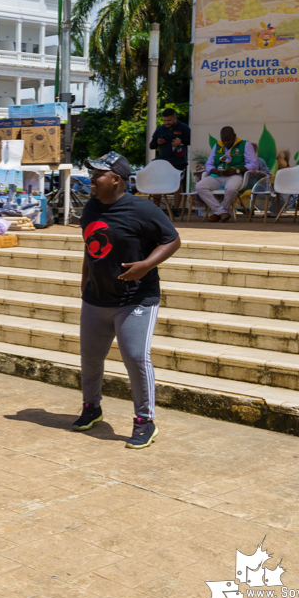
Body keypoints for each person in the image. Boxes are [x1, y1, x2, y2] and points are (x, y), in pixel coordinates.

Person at [72, 152, 181, 450]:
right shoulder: (91, 208)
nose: (92, 180)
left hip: (136, 299)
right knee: (91, 358)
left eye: (98, 175)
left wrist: (146, 265)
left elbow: (172, 239)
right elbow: (90, 246)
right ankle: (91, 407)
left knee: (135, 357)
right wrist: (85, 281)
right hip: (97, 296)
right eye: (92, 174)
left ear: (116, 180)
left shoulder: (141, 209)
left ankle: (145, 421)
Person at [196, 126, 259, 222]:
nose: (226, 143)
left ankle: (219, 213)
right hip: (217, 176)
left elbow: (254, 164)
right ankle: (221, 212)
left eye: (228, 140)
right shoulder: (218, 145)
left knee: (231, 189)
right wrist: (214, 171)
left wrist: (236, 170)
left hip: (235, 176)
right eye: (223, 140)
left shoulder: (245, 145)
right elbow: (209, 164)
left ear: (234, 136)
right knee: (200, 186)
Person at [148, 108, 190, 212]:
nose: (166, 123)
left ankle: (175, 209)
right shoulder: (160, 129)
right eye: (164, 121)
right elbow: (151, 146)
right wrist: (158, 142)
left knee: (177, 184)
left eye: (169, 120)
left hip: (178, 161)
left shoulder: (184, 128)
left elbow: (191, 140)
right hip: (162, 161)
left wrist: (181, 141)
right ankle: (156, 209)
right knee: (157, 183)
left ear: (175, 118)